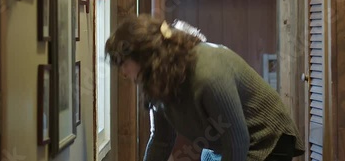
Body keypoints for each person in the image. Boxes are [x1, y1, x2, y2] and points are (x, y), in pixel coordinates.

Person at [105, 15, 305, 161]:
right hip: (222, 143)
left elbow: (237, 142)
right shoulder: (156, 82)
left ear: (144, 56)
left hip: (266, 139)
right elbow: (161, 139)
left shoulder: (207, 73)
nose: (123, 73)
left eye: (123, 63)